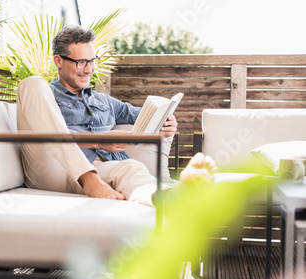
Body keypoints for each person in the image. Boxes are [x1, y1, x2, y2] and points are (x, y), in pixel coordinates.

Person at [16, 25, 215, 207]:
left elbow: (147, 115)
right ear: (58, 61)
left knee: (130, 167)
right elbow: (48, 133)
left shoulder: (104, 101)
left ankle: (169, 198)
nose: (89, 69)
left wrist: (168, 121)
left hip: (102, 171)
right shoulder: (44, 96)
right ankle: (88, 179)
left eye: (92, 61)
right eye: (81, 62)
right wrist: (98, 141)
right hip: (55, 169)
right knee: (31, 82)